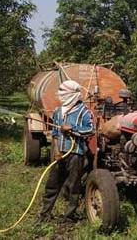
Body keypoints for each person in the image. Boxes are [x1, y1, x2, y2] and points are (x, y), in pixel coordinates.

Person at [38, 80, 94, 223]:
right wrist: (56, 151)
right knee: (52, 185)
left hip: (76, 154)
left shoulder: (84, 112)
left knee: (73, 186)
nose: (61, 95)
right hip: (59, 154)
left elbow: (90, 130)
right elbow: (55, 133)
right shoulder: (58, 111)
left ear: (73, 94)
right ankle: (45, 215)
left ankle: (69, 216)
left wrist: (72, 128)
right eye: (60, 92)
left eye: (64, 93)